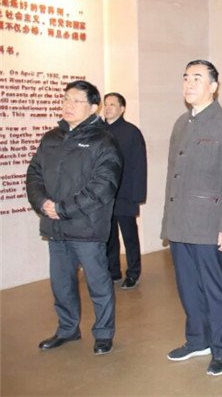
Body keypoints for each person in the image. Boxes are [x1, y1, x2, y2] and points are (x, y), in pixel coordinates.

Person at [161, 60, 222, 376]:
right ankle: (198, 340)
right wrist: (167, 222)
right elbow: (173, 177)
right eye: (186, 78)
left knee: (215, 290)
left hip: (210, 224)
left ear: (213, 86)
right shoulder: (181, 123)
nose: (189, 83)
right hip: (180, 223)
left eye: (197, 78)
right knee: (187, 287)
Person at [26, 80, 123, 355]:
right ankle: (67, 329)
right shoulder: (51, 138)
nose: (68, 105)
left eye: (76, 100)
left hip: (87, 227)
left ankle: (103, 333)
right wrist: (43, 203)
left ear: (93, 108)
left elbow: (103, 186)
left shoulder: (103, 141)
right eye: (66, 99)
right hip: (55, 226)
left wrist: (63, 208)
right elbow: (34, 174)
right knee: (61, 283)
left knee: (98, 283)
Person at [103, 92, 147, 289]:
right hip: (104, 195)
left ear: (122, 109)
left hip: (125, 193)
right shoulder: (98, 131)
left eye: (112, 104)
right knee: (108, 236)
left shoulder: (131, 132)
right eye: (106, 104)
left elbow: (139, 165)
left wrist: (137, 194)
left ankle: (133, 273)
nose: (108, 107)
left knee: (129, 236)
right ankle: (113, 271)